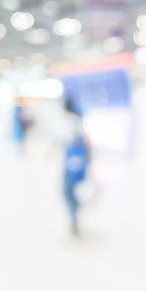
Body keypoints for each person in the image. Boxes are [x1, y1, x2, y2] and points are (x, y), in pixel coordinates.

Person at [61, 97, 91, 237]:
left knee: (68, 192)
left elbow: (64, 139)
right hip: (79, 163)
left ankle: (74, 218)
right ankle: (75, 218)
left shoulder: (70, 121)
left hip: (72, 164)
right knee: (73, 192)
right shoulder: (77, 120)